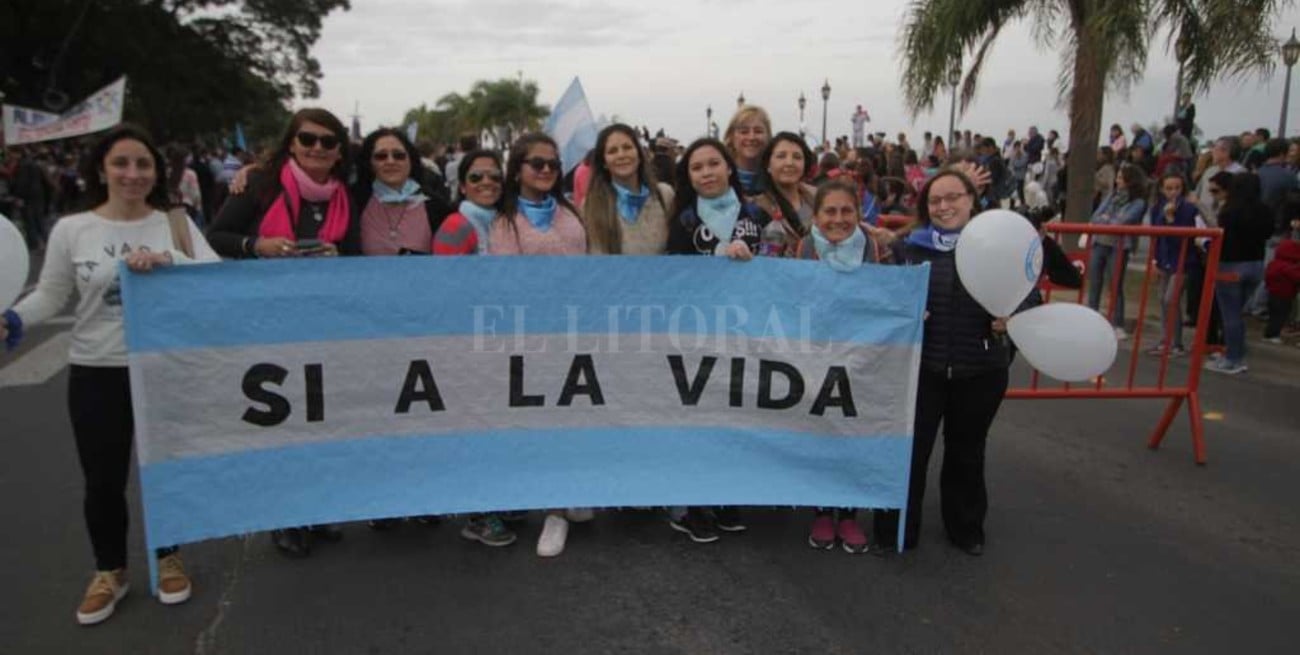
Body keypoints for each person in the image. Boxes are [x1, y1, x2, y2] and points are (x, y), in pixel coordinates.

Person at [1, 124, 219, 624]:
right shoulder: (72, 229)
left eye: (143, 164)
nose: (132, 174)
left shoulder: (175, 223)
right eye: (121, 163)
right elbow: (52, 295)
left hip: (162, 367)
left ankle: (168, 558)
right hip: (95, 370)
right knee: (102, 480)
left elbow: (213, 275)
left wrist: (170, 260)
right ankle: (109, 572)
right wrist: (13, 319)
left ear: (156, 172)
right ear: (101, 169)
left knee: (165, 472)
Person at [205, 108, 357, 557]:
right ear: (291, 142)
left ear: (338, 151)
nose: (317, 148)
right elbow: (217, 236)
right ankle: (286, 516)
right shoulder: (258, 186)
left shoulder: (344, 193)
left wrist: (338, 253)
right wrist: (258, 247)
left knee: (323, 419)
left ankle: (319, 509)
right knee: (282, 422)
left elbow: (357, 250)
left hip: (325, 321)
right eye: (308, 139)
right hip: (268, 322)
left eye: (328, 142)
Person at [872, 168, 1015, 556]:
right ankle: (897, 529)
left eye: (954, 197)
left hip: (981, 369)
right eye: (935, 200)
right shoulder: (909, 248)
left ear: (973, 200)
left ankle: (966, 528)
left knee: (966, 452)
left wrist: (1012, 318)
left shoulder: (999, 246)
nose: (944, 206)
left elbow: (1028, 294)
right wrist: (904, 313)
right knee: (910, 451)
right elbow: (885, 300)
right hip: (921, 369)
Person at [485, 134, 589, 557]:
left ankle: (569, 497)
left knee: (572, 418)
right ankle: (553, 511)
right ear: (518, 169)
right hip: (529, 335)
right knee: (541, 423)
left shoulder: (571, 213)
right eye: (536, 164)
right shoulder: (505, 222)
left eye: (552, 164)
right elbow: (509, 283)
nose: (546, 170)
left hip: (575, 330)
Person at [664, 138, 764, 542]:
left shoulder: (754, 215)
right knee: (694, 416)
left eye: (713, 164)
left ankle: (725, 493)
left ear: (728, 168)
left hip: (745, 333)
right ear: (688, 176)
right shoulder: (684, 222)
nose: (706, 172)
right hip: (696, 333)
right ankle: (688, 504)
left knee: (733, 414)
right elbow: (671, 276)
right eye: (696, 167)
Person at [788, 180, 887, 554]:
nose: (838, 219)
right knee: (819, 431)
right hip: (816, 351)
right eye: (830, 211)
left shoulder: (874, 249)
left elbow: (891, 295)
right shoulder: (805, 247)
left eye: (847, 211)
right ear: (816, 216)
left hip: (862, 354)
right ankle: (822, 512)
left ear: (859, 215)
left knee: (853, 431)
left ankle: (848, 513)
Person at [1207, 172, 1275, 374]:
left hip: (1230, 265)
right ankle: (1235, 350)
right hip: (1255, 264)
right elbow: (1269, 233)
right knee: (1238, 313)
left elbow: (1223, 238)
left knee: (1230, 314)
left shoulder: (1229, 211)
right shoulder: (1264, 210)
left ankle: (1233, 358)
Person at [354, 127, 453, 256]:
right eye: (381, 156)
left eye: (399, 155)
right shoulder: (354, 202)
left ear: (410, 160)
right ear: (369, 162)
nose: (390, 161)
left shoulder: (436, 206)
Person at [580, 123, 674, 255]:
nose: (621, 155)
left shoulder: (665, 195)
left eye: (627, 147)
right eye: (612, 151)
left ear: (639, 155)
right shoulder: (590, 206)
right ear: (604, 163)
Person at [1087, 164, 1149, 340]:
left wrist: (1107, 220)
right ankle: (1091, 319)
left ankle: (1117, 323)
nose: (1117, 181)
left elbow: (1123, 222)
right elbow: (1095, 216)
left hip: (1119, 246)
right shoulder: (1111, 196)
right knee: (1095, 283)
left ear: (1130, 181)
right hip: (1100, 242)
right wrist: (1106, 220)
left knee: (1115, 284)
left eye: (1121, 178)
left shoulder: (1138, 202)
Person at [1146, 173, 1202, 357]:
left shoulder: (1188, 209)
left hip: (1183, 261)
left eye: (1177, 188)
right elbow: (1156, 236)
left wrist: (1171, 220)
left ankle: (1176, 343)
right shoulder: (1157, 208)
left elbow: (1184, 238)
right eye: (1169, 188)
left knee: (1171, 299)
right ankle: (1165, 339)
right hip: (1164, 259)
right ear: (1162, 189)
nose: (1173, 192)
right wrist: (1154, 260)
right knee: (1163, 299)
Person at [751, 132, 816, 257]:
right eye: (781, 156)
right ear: (768, 166)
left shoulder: (820, 197)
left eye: (797, 157)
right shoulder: (757, 207)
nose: (789, 163)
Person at [1263, 197, 1300, 342]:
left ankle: (1270, 334)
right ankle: (1273, 335)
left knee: (1273, 316)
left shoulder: (1275, 263)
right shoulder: (1289, 267)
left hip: (1272, 292)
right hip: (1285, 295)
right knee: (1280, 316)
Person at [723, 106, 772, 196]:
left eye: (758, 131)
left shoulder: (776, 178)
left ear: (768, 136)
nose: (751, 137)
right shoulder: (720, 176)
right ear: (731, 137)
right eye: (744, 132)